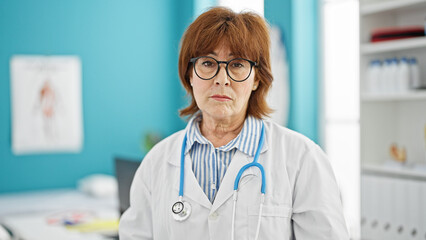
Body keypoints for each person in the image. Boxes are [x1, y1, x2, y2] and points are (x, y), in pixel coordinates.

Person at [119, 7, 349, 240]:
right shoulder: (156, 163)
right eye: (208, 63)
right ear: (190, 74)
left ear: (257, 79)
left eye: (237, 64)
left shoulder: (302, 158)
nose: (221, 79)